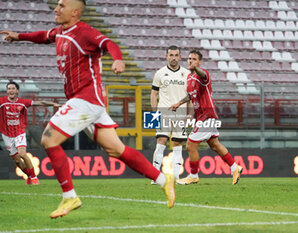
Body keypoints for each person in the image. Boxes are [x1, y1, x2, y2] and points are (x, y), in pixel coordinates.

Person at [0, 0, 175, 219]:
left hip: (87, 99)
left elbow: (110, 44)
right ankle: (163, 179)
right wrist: (19, 36)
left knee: (48, 140)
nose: (56, 9)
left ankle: (70, 196)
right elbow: (43, 36)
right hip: (86, 102)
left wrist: (118, 60)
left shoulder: (85, 32)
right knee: (116, 150)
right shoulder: (60, 32)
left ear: (75, 12)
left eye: (62, 6)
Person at [169, 50, 243, 185]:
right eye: (189, 59)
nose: (190, 61)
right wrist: (179, 103)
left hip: (207, 116)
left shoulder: (203, 75)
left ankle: (193, 175)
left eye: (194, 59)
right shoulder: (189, 78)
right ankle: (235, 168)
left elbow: (202, 74)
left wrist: (196, 68)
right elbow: (191, 96)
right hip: (201, 117)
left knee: (191, 144)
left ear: (200, 62)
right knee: (214, 145)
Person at [0, 81, 60, 185]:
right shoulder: (2, 102)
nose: (11, 90)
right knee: (17, 161)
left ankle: (33, 177)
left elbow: (40, 103)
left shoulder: (23, 102)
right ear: (7, 91)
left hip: (19, 132)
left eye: (13, 88)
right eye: (9, 89)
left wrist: (53, 104)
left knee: (23, 154)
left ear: (17, 91)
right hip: (6, 135)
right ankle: (29, 176)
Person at [150, 45, 190, 182]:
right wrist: (154, 112)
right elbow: (154, 94)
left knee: (178, 144)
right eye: (171, 55)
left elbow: (190, 96)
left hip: (181, 113)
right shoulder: (160, 73)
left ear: (180, 56)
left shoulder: (187, 74)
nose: (173, 58)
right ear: (166, 56)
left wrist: (190, 114)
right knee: (161, 141)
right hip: (163, 112)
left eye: (176, 55)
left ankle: (176, 176)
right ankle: (155, 176)